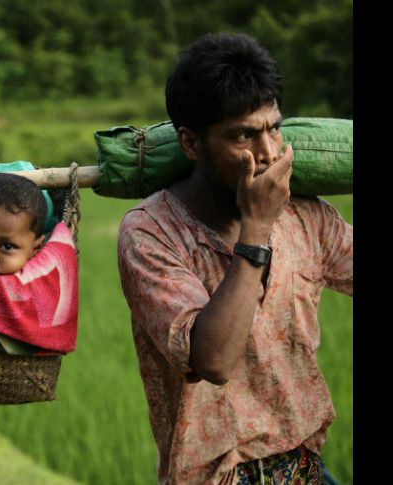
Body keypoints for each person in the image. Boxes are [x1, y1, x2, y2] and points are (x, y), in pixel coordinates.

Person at [116, 33, 352, 484]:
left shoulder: (305, 213)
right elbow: (213, 360)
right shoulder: (151, 231)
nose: (266, 154)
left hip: (302, 466)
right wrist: (257, 227)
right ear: (191, 143)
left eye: (273, 128)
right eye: (243, 135)